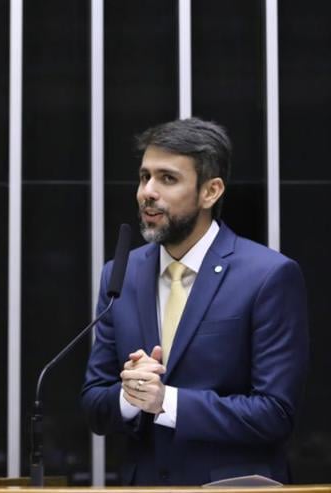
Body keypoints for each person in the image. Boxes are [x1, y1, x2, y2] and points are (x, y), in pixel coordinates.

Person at [80, 117, 308, 486]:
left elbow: (275, 413)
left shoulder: (268, 276)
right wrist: (129, 395)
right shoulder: (121, 274)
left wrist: (166, 402)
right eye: (144, 177)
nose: (147, 192)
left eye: (167, 179)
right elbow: (94, 406)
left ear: (210, 192)